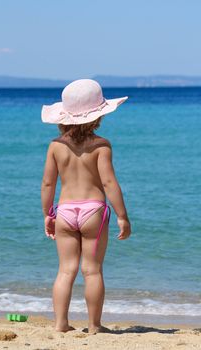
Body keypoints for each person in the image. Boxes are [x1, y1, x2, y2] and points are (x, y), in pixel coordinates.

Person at [41, 79, 131, 333]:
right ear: (97, 117)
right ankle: (94, 325)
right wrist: (122, 216)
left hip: (65, 212)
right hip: (94, 211)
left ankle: (61, 324)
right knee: (92, 271)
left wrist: (48, 214)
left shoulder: (56, 147)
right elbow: (109, 182)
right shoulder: (101, 146)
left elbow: (48, 184)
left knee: (65, 271)